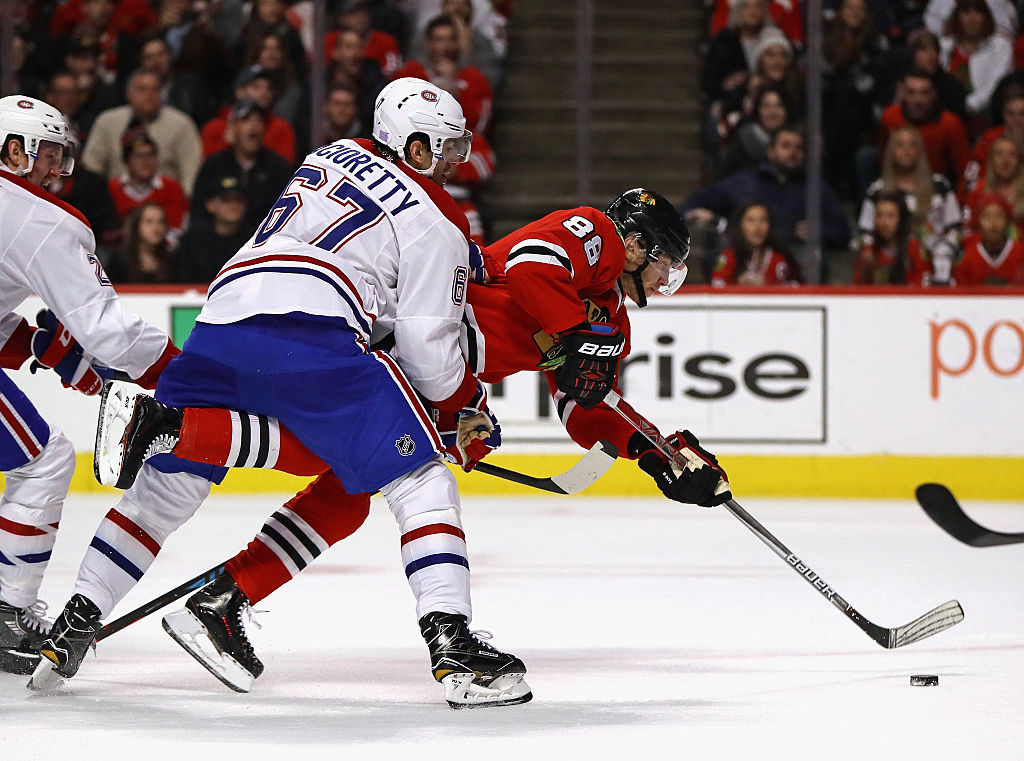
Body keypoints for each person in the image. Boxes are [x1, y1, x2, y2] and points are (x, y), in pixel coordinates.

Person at [93, 188, 730, 697]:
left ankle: (223, 598)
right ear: (639, 243)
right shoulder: (591, 233)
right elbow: (532, 273)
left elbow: (588, 408)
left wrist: (660, 456)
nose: (668, 277)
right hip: (400, 340)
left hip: (431, 377)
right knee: (419, 481)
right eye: (668, 261)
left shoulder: (610, 320)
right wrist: (560, 344)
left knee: (347, 491)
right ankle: (452, 644)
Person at [37, 77, 532, 710]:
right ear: (414, 146)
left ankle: (77, 619)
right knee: (420, 477)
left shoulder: (328, 155)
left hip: (222, 316)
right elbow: (431, 355)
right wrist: (469, 404)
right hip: (313, 328)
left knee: (179, 487)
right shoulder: (438, 219)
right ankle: (455, 647)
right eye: (448, 147)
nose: (456, 160)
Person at [0, 95, 178, 675]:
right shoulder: (38, 217)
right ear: (12, 150)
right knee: (46, 460)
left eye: (61, 155)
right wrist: (181, 376)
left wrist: (36, 345)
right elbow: (109, 332)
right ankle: (6, 614)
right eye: (47, 153)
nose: (57, 168)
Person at [858, 125, 962, 283]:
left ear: (920, 151)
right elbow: (866, 232)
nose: (906, 150)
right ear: (891, 151)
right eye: (900, 145)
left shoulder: (940, 186)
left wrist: (943, 252)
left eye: (912, 145)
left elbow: (955, 227)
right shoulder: (877, 191)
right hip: (891, 261)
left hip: (938, 259)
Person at [81, 69, 204, 195]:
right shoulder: (107, 121)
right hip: (115, 203)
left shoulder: (182, 124)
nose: (149, 95)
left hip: (166, 204)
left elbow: (192, 176)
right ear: (128, 93)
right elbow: (91, 168)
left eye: (155, 89)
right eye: (141, 89)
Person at [190, 99, 295, 238]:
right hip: (217, 244)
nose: (253, 127)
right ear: (233, 127)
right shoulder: (214, 166)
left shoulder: (278, 168)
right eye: (246, 120)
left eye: (259, 121)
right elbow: (198, 212)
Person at [107, 128, 189, 242]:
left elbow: (175, 230)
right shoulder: (111, 189)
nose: (145, 161)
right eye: (139, 156)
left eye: (150, 155)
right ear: (126, 161)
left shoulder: (171, 188)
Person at [174, 175, 251, 284]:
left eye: (239, 200)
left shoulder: (254, 241)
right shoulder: (193, 240)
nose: (233, 205)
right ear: (210, 205)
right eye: (226, 199)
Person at [710, 201, 802, 286]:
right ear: (740, 225)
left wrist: (768, 283)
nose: (757, 227)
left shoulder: (781, 256)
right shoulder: (728, 255)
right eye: (750, 220)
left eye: (763, 220)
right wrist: (737, 283)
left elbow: (797, 285)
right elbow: (717, 283)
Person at [851, 190, 930, 284]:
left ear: (901, 220)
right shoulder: (869, 251)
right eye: (879, 215)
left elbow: (925, 285)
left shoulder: (915, 248)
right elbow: (856, 289)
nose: (884, 222)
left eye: (890, 216)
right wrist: (865, 270)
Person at [953, 192, 1024, 284]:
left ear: (1007, 220)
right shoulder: (967, 257)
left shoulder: (1021, 253)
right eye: (986, 216)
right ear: (978, 221)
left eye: (999, 216)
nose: (993, 223)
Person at [104, 202, 177, 283]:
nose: (156, 228)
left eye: (161, 222)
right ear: (137, 226)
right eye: (149, 222)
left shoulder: (172, 261)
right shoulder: (118, 261)